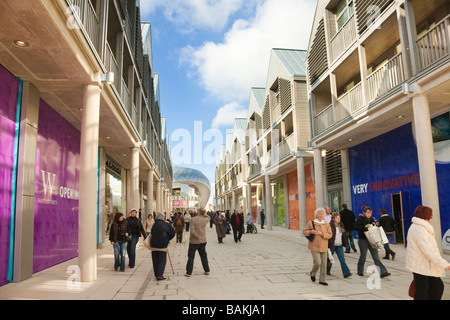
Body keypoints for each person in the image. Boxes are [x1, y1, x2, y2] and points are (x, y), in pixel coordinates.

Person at [405, 205, 450, 300]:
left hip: (424, 265)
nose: (432, 216)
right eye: (431, 214)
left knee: (432, 287)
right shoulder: (419, 229)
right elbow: (428, 250)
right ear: (427, 215)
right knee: (425, 290)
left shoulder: (420, 227)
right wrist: (444, 264)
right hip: (421, 265)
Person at [354, 206, 390, 278]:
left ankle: (383, 271)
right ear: (364, 213)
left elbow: (374, 228)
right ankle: (360, 271)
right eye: (367, 213)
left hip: (372, 240)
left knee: (375, 256)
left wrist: (376, 225)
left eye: (370, 213)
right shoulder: (360, 219)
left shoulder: (371, 220)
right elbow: (355, 227)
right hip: (363, 239)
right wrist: (364, 227)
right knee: (363, 256)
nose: (369, 214)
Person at [303, 208, 333, 286]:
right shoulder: (311, 223)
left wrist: (322, 234)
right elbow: (304, 231)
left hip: (324, 246)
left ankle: (322, 280)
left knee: (324, 264)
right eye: (319, 214)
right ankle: (313, 273)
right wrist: (310, 232)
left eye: (322, 214)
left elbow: (330, 235)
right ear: (316, 215)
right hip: (314, 246)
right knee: (317, 262)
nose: (321, 215)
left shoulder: (326, 224)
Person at [185, 208, 211, 277]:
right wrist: (205, 214)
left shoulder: (193, 219)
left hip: (194, 241)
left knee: (191, 257)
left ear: (198, 212)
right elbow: (209, 217)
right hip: (203, 240)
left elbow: (192, 231)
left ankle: (189, 272)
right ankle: (207, 270)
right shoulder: (205, 219)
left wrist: (198, 237)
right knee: (203, 256)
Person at [150, 213, 176, 281]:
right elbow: (173, 232)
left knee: (155, 260)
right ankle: (159, 275)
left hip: (153, 244)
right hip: (162, 244)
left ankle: (156, 274)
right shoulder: (166, 224)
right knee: (162, 260)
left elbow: (152, 233)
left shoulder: (154, 224)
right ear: (163, 218)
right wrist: (168, 239)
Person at [327, 212, 352, 278]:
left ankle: (346, 273)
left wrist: (345, 242)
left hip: (339, 245)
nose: (339, 219)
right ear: (333, 219)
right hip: (332, 245)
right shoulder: (330, 226)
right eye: (337, 218)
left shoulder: (341, 224)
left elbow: (343, 234)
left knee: (342, 259)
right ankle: (327, 270)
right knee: (330, 259)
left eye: (339, 217)